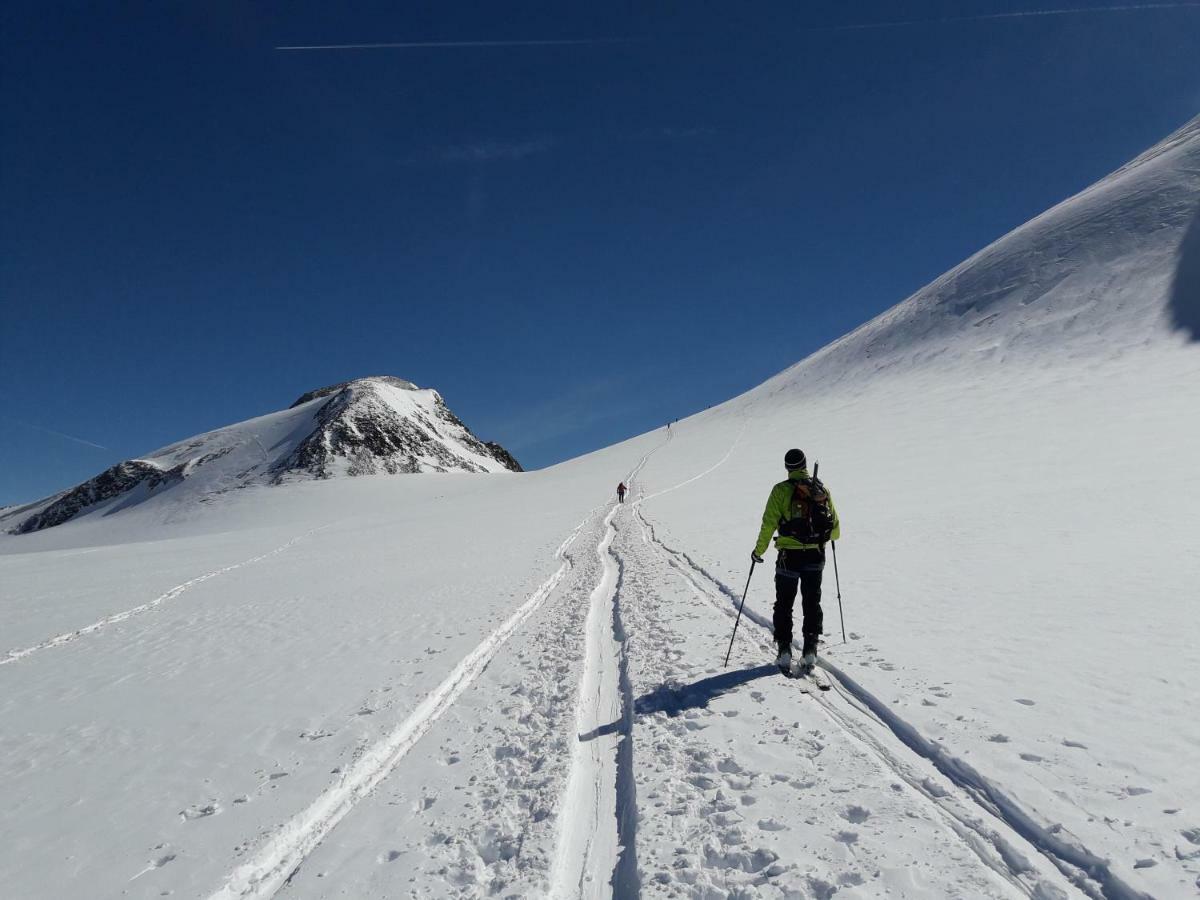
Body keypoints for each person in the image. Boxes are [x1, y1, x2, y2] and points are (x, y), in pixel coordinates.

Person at [751, 449, 840, 670]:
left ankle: (784, 650)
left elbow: (768, 523)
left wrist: (758, 551)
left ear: (787, 467)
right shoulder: (822, 489)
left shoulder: (780, 490)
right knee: (812, 602)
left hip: (788, 556)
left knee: (784, 604)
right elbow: (835, 530)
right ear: (805, 464)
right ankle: (810, 650)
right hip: (815, 555)